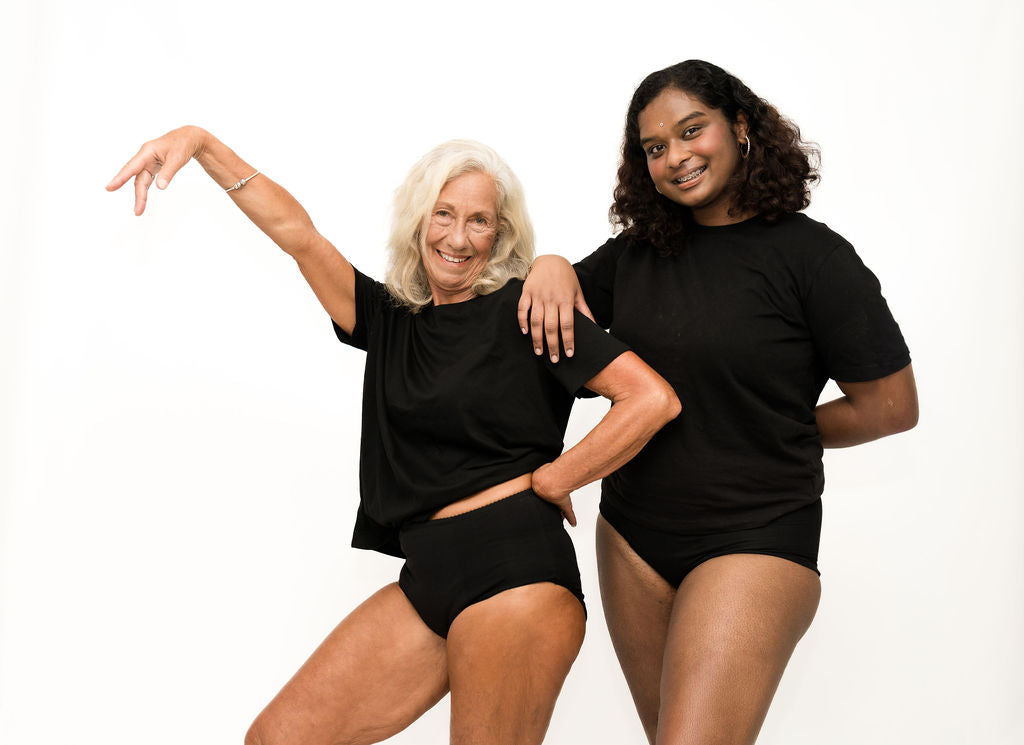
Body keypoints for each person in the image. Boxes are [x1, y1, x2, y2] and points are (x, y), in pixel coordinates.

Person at [106, 128, 679, 745]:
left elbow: (650, 398)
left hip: (516, 573)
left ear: (501, 235)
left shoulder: (527, 313)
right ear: (418, 221)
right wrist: (202, 146)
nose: (458, 238)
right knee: (280, 737)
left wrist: (556, 477)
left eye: (480, 221)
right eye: (444, 215)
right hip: (429, 577)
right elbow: (299, 236)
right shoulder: (388, 320)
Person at [518, 59, 919, 745]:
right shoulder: (638, 254)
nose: (675, 157)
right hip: (633, 539)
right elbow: (554, 312)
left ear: (739, 126)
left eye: (690, 131)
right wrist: (549, 262)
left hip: (755, 533)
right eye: (654, 148)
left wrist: (781, 427)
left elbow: (889, 407)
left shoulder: (814, 259)